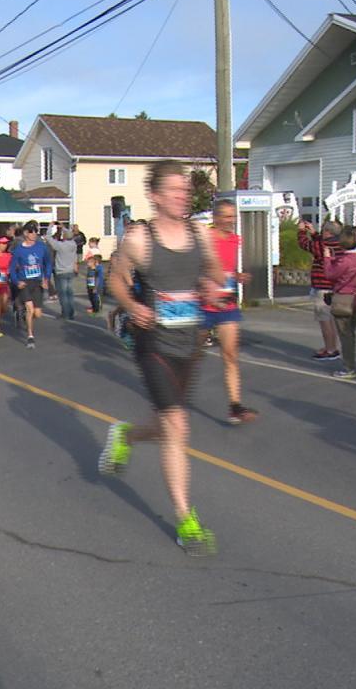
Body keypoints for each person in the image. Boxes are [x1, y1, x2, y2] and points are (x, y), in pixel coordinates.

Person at [99, 160, 228, 556]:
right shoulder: (140, 238)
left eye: (186, 189)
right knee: (177, 425)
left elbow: (215, 273)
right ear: (155, 196)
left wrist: (211, 285)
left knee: (167, 424)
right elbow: (115, 278)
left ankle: (125, 435)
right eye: (174, 189)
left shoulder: (200, 234)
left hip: (190, 341)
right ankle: (186, 520)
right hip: (153, 341)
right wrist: (131, 305)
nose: (182, 195)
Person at [201, 199, 259, 424]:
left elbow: (227, 270)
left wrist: (237, 276)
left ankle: (235, 406)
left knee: (231, 355)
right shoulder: (206, 238)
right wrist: (206, 291)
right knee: (190, 356)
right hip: (203, 305)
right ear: (215, 217)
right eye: (225, 216)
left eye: (232, 216)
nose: (230, 220)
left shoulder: (235, 240)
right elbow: (197, 268)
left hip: (227, 305)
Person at [325, 227, 356, 380]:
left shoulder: (345, 261)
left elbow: (330, 274)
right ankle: (350, 364)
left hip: (344, 299)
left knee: (345, 335)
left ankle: (349, 367)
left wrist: (327, 259)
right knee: (350, 333)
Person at [298, 218, 342, 360]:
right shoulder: (339, 244)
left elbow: (305, 244)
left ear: (327, 232)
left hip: (323, 287)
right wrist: (314, 233)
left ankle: (330, 350)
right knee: (331, 319)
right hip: (335, 287)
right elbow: (319, 244)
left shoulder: (323, 245)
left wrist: (301, 231)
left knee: (325, 320)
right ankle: (332, 346)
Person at [9, 220, 52, 349]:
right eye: (31, 232)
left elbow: (48, 263)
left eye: (36, 232)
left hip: (37, 282)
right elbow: (12, 269)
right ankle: (30, 336)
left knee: (37, 314)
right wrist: (17, 281)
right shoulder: (19, 250)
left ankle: (23, 315)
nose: (34, 234)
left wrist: (46, 278)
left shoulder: (41, 247)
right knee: (30, 309)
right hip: (25, 282)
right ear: (25, 233)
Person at [46, 225, 80, 320]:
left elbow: (48, 238)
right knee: (70, 293)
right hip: (70, 270)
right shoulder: (73, 244)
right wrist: (63, 227)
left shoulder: (60, 246)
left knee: (63, 294)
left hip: (61, 271)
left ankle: (65, 313)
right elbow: (69, 234)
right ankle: (71, 313)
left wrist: (50, 227)